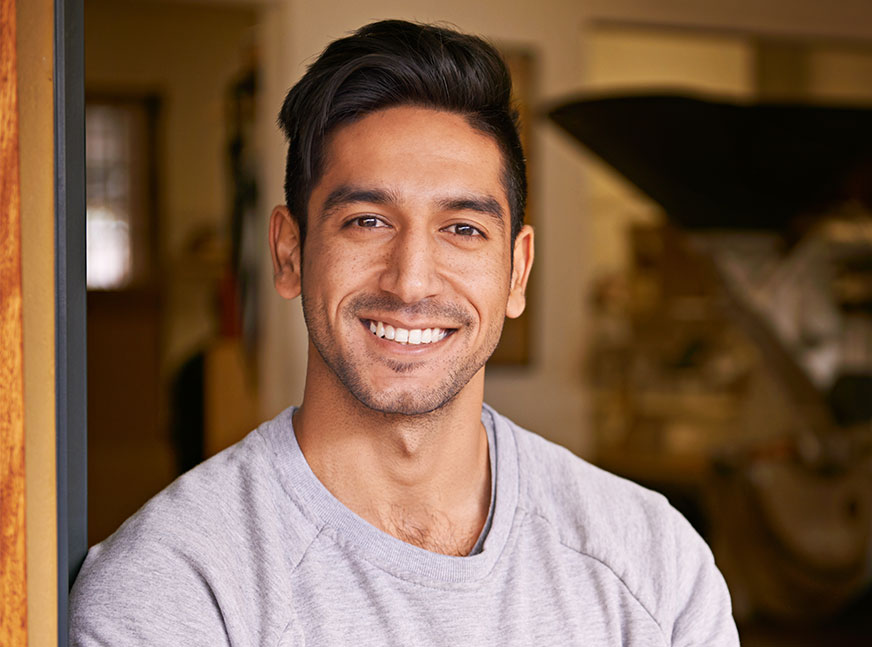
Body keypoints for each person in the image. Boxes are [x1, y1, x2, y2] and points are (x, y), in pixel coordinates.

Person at [70, 19, 739, 646]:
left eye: (463, 228)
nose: (412, 281)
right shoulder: (173, 586)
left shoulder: (652, 563)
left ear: (516, 271)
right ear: (288, 252)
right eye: (366, 220)